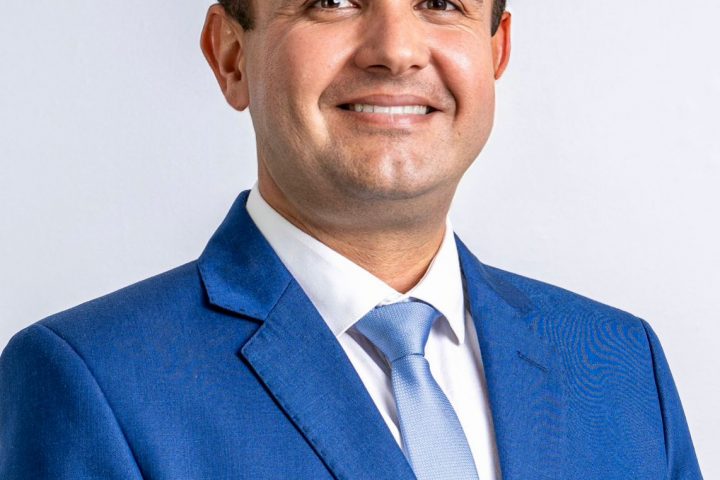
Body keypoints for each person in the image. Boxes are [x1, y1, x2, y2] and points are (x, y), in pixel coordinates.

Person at [0, 0, 702, 478]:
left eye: (440, 1)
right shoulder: (90, 382)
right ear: (231, 56)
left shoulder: (620, 362)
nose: (396, 51)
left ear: (497, 50)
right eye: (333, 0)